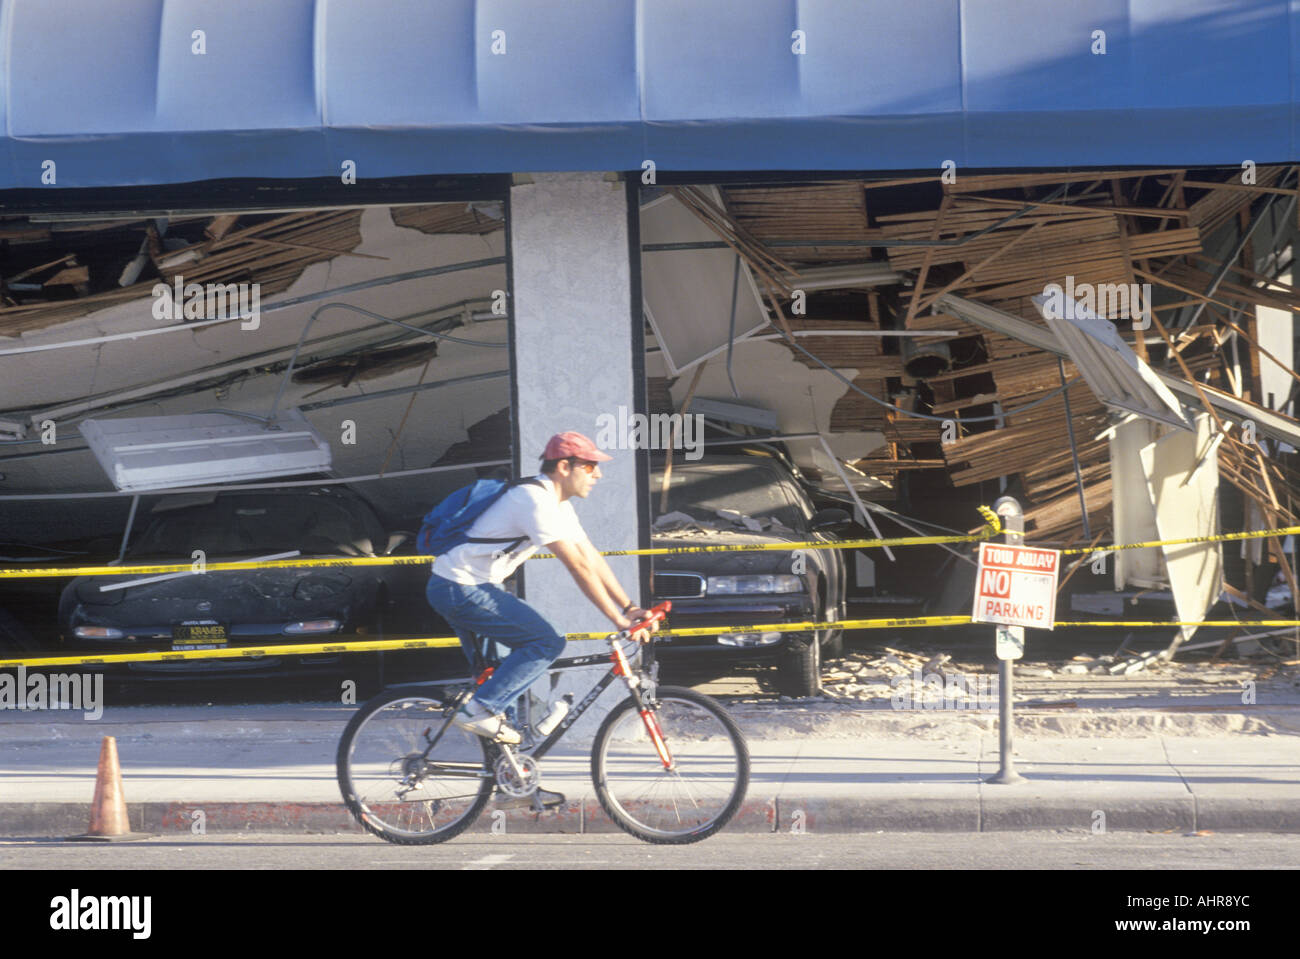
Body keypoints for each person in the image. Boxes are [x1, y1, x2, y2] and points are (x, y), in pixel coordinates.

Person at [425, 431, 656, 752]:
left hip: (474, 586)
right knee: (547, 641)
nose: (598, 474)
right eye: (590, 467)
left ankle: (508, 777)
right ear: (564, 466)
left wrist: (629, 608)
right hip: (460, 587)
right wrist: (618, 621)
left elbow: (591, 558)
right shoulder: (533, 500)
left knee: (501, 681)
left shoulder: (558, 505)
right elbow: (577, 567)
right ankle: (478, 710)